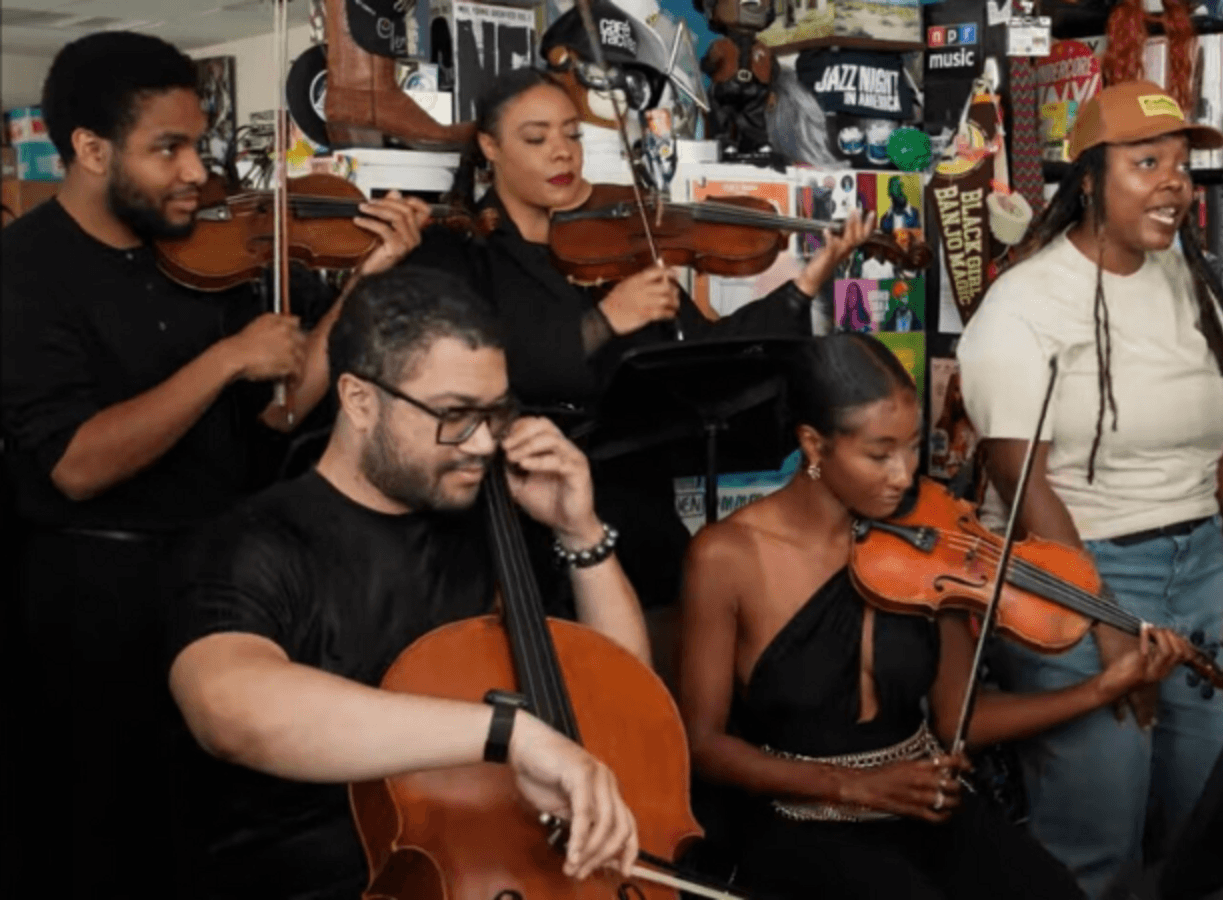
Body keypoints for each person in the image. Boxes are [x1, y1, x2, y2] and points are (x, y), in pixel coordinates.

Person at [0, 30, 426, 895]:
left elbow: (282, 406)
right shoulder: (24, 270)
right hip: (92, 604)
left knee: (217, 836)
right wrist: (225, 360)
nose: (199, 171)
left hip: (217, 579)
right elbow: (75, 465)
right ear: (88, 150)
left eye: (202, 144)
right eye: (169, 149)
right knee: (101, 840)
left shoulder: (205, 257)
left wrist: (368, 279)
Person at [165, 267, 646, 899]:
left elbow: (627, 702)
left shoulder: (495, 526)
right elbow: (231, 711)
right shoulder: (254, 542)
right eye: (454, 415)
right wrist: (505, 735)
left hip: (494, 870)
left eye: (495, 413)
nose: (481, 444)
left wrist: (580, 533)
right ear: (361, 401)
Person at [677, 332, 1194, 899]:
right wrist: (853, 787)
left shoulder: (928, 539)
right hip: (802, 820)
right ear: (813, 445)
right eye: (879, 454)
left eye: (913, 447)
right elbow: (703, 745)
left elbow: (958, 720)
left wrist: (1100, 689)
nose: (903, 475)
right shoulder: (727, 556)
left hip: (925, 807)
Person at [407, 66, 871, 614]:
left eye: (572, 135)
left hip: (639, 519)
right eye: (536, 138)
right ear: (490, 146)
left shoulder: (617, 244)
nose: (562, 153)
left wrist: (805, 284)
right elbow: (475, 379)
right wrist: (604, 320)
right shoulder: (459, 252)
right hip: (517, 518)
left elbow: (708, 361)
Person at [956, 80, 1223, 898]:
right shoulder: (1023, 305)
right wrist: (1108, 625)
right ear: (1088, 178)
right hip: (1077, 576)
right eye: (1147, 162)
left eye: (1184, 167)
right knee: (1095, 838)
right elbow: (1021, 480)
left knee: (1209, 829)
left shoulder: (1191, 282)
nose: (1174, 183)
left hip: (1199, 568)